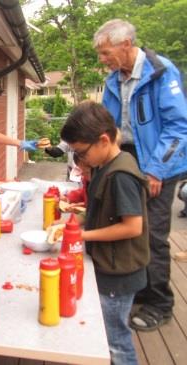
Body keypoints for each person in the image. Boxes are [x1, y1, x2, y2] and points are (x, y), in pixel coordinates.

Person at [94, 19, 187, 331]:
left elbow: (178, 128)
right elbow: (107, 127)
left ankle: (160, 303)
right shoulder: (112, 80)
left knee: (153, 234)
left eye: (106, 52)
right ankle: (139, 290)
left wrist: (155, 170)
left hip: (158, 161)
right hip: (128, 158)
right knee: (126, 224)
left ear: (126, 44)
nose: (102, 59)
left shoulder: (161, 71)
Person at [61, 101, 150, 365]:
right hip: (110, 266)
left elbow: (133, 226)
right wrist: (75, 221)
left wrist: (82, 236)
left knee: (115, 340)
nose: (81, 159)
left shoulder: (120, 175)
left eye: (82, 152)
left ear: (103, 140)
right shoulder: (105, 166)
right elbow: (102, 212)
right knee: (108, 334)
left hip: (120, 274)